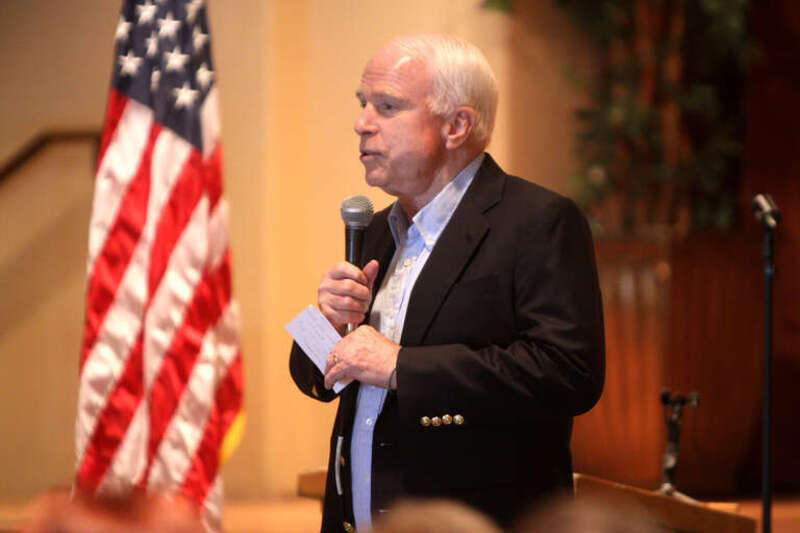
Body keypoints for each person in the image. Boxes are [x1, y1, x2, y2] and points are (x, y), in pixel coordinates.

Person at [290, 34, 605, 533]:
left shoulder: (537, 221)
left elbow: (569, 373)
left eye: (387, 106)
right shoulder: (376, 229)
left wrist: (402, 367)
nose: (362, 122)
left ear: (457, 126)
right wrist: (326, 325)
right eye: (363, 103)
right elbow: (321, 382)